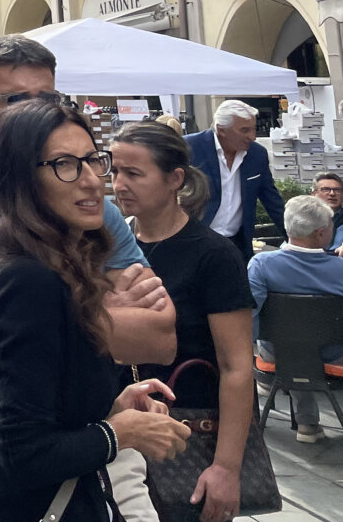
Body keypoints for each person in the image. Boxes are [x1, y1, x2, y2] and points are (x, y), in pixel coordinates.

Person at [0, 35, 177, 522]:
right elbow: (25, 447)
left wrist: (112, 400)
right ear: (22, 176)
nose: (92, 180)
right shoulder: (28, 279)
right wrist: (122, 432)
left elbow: (159, 332)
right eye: (64, 164)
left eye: (92, 161)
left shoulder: (37, 254)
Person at [110, 121, 254, 520]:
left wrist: (226, 466)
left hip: (189, 433)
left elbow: (237, 367)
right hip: (118, 432)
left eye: (134, 173)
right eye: (114, 169)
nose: (119, 183)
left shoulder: (213, 255)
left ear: (175, 179)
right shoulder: (108, 247)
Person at [247, 194, 343, 442]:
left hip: (276, 357)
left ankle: (307, 424)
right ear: (321, 233)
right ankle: (308, 425)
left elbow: (249, 317)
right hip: (336, 359)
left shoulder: (261, 264)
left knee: (292, 342)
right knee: (309, 340)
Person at [187, 100, 285, 260]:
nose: (252, 137)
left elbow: (272, 201)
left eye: (253, 129)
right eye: (244, 130)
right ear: (221, 129)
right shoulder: (190, 147)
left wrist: (298, 242)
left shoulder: (257, 155)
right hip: (195, 242)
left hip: (237, 244)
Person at [315, 171, 343, 249]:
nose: (332, 193)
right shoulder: (304, 219)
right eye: (325, 189)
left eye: (337, 190)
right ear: (314, 194)